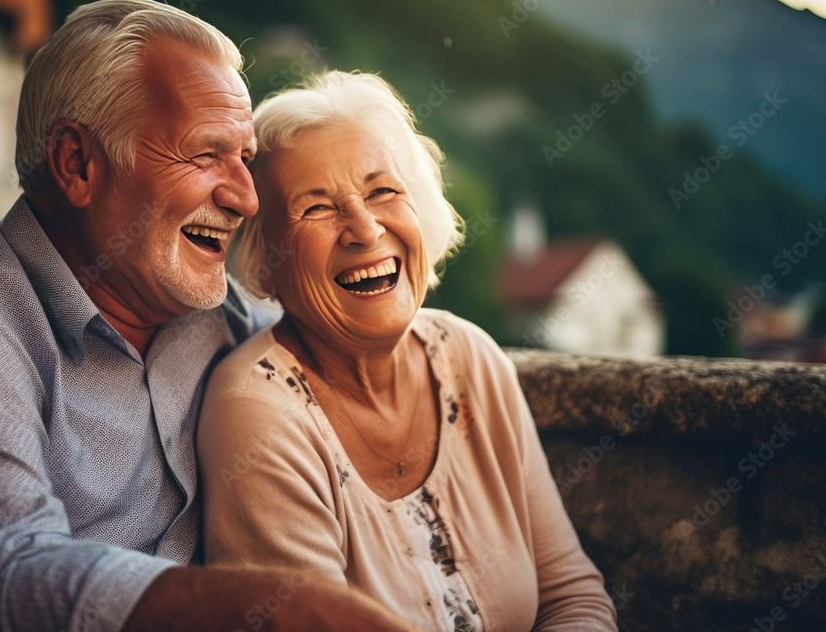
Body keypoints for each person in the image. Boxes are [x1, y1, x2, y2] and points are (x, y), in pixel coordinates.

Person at [0, 0, 412, 632]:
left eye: (244, 158)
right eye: (205, 154)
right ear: (78, 164)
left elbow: (337, 349)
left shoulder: (221, 316)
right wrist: (285, 609)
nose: (245, 197)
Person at [198, 71, 619, 631]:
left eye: (383, 191)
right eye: (318, 208)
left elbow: (572, 594)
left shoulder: (472, 357)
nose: (366, 230)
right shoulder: (257, 416)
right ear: (265, 263)